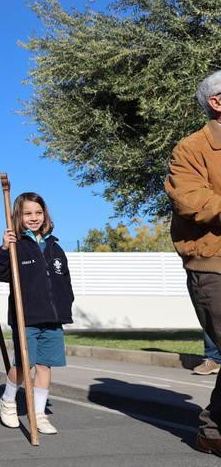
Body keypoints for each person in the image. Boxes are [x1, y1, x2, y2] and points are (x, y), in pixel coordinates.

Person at [165, 70, 221, 456]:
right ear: (216, 102)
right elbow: (193, 203)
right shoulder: (190, 149)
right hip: (213, 265)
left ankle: (212, 429)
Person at [0, 192, 73, 436]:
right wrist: (5, 249)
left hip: (53, 318)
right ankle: (8, 401)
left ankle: (38, 413)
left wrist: (65, 306)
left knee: (44, 366)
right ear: (18, 216)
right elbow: (1, 274)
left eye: (38, 212)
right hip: (25, 316)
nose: (34, 217)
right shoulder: (17, 245)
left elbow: (64, 282)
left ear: (45, 215)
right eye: (28, 213)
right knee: (23, 364)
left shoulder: (54, 246)